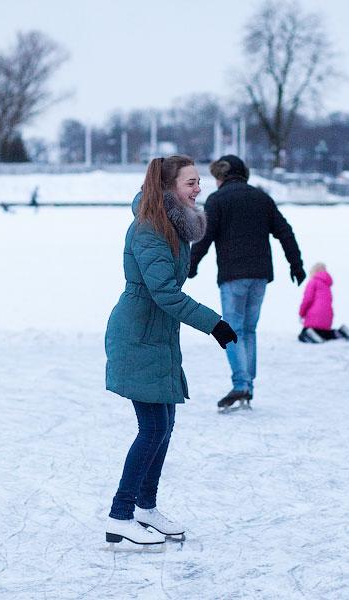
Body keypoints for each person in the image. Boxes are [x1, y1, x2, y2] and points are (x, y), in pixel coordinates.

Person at [104, 155, 237, 549]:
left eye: (198, 181)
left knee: (164, 425)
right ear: (168, 187)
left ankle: (145, 508)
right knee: (153, 428)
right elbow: (164, 292)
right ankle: (120, 515)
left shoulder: (171, 225)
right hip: (139, 334)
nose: (198, 189)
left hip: (157, 332)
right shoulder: (149, 229)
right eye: (190, 182)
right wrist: (214, 323)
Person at [189, 154, 305, 410]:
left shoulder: (218, 200)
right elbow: (285, 232)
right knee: (249, 331)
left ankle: (241, 384)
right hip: (259, 275)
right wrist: (296, 264)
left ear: (222, 176)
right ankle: (247, 387)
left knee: (234, 330)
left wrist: (191, 264)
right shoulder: (261, 198)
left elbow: (205, 236)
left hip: (233, 276)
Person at [297, 262, 349, 343]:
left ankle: (310, 334)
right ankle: (340, 333)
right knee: (325, 334)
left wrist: (301, 313)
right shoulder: (327, 285)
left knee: (302, 335)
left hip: (314, 317)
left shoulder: (313, 282)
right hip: (327, 319)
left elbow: (307, 299)